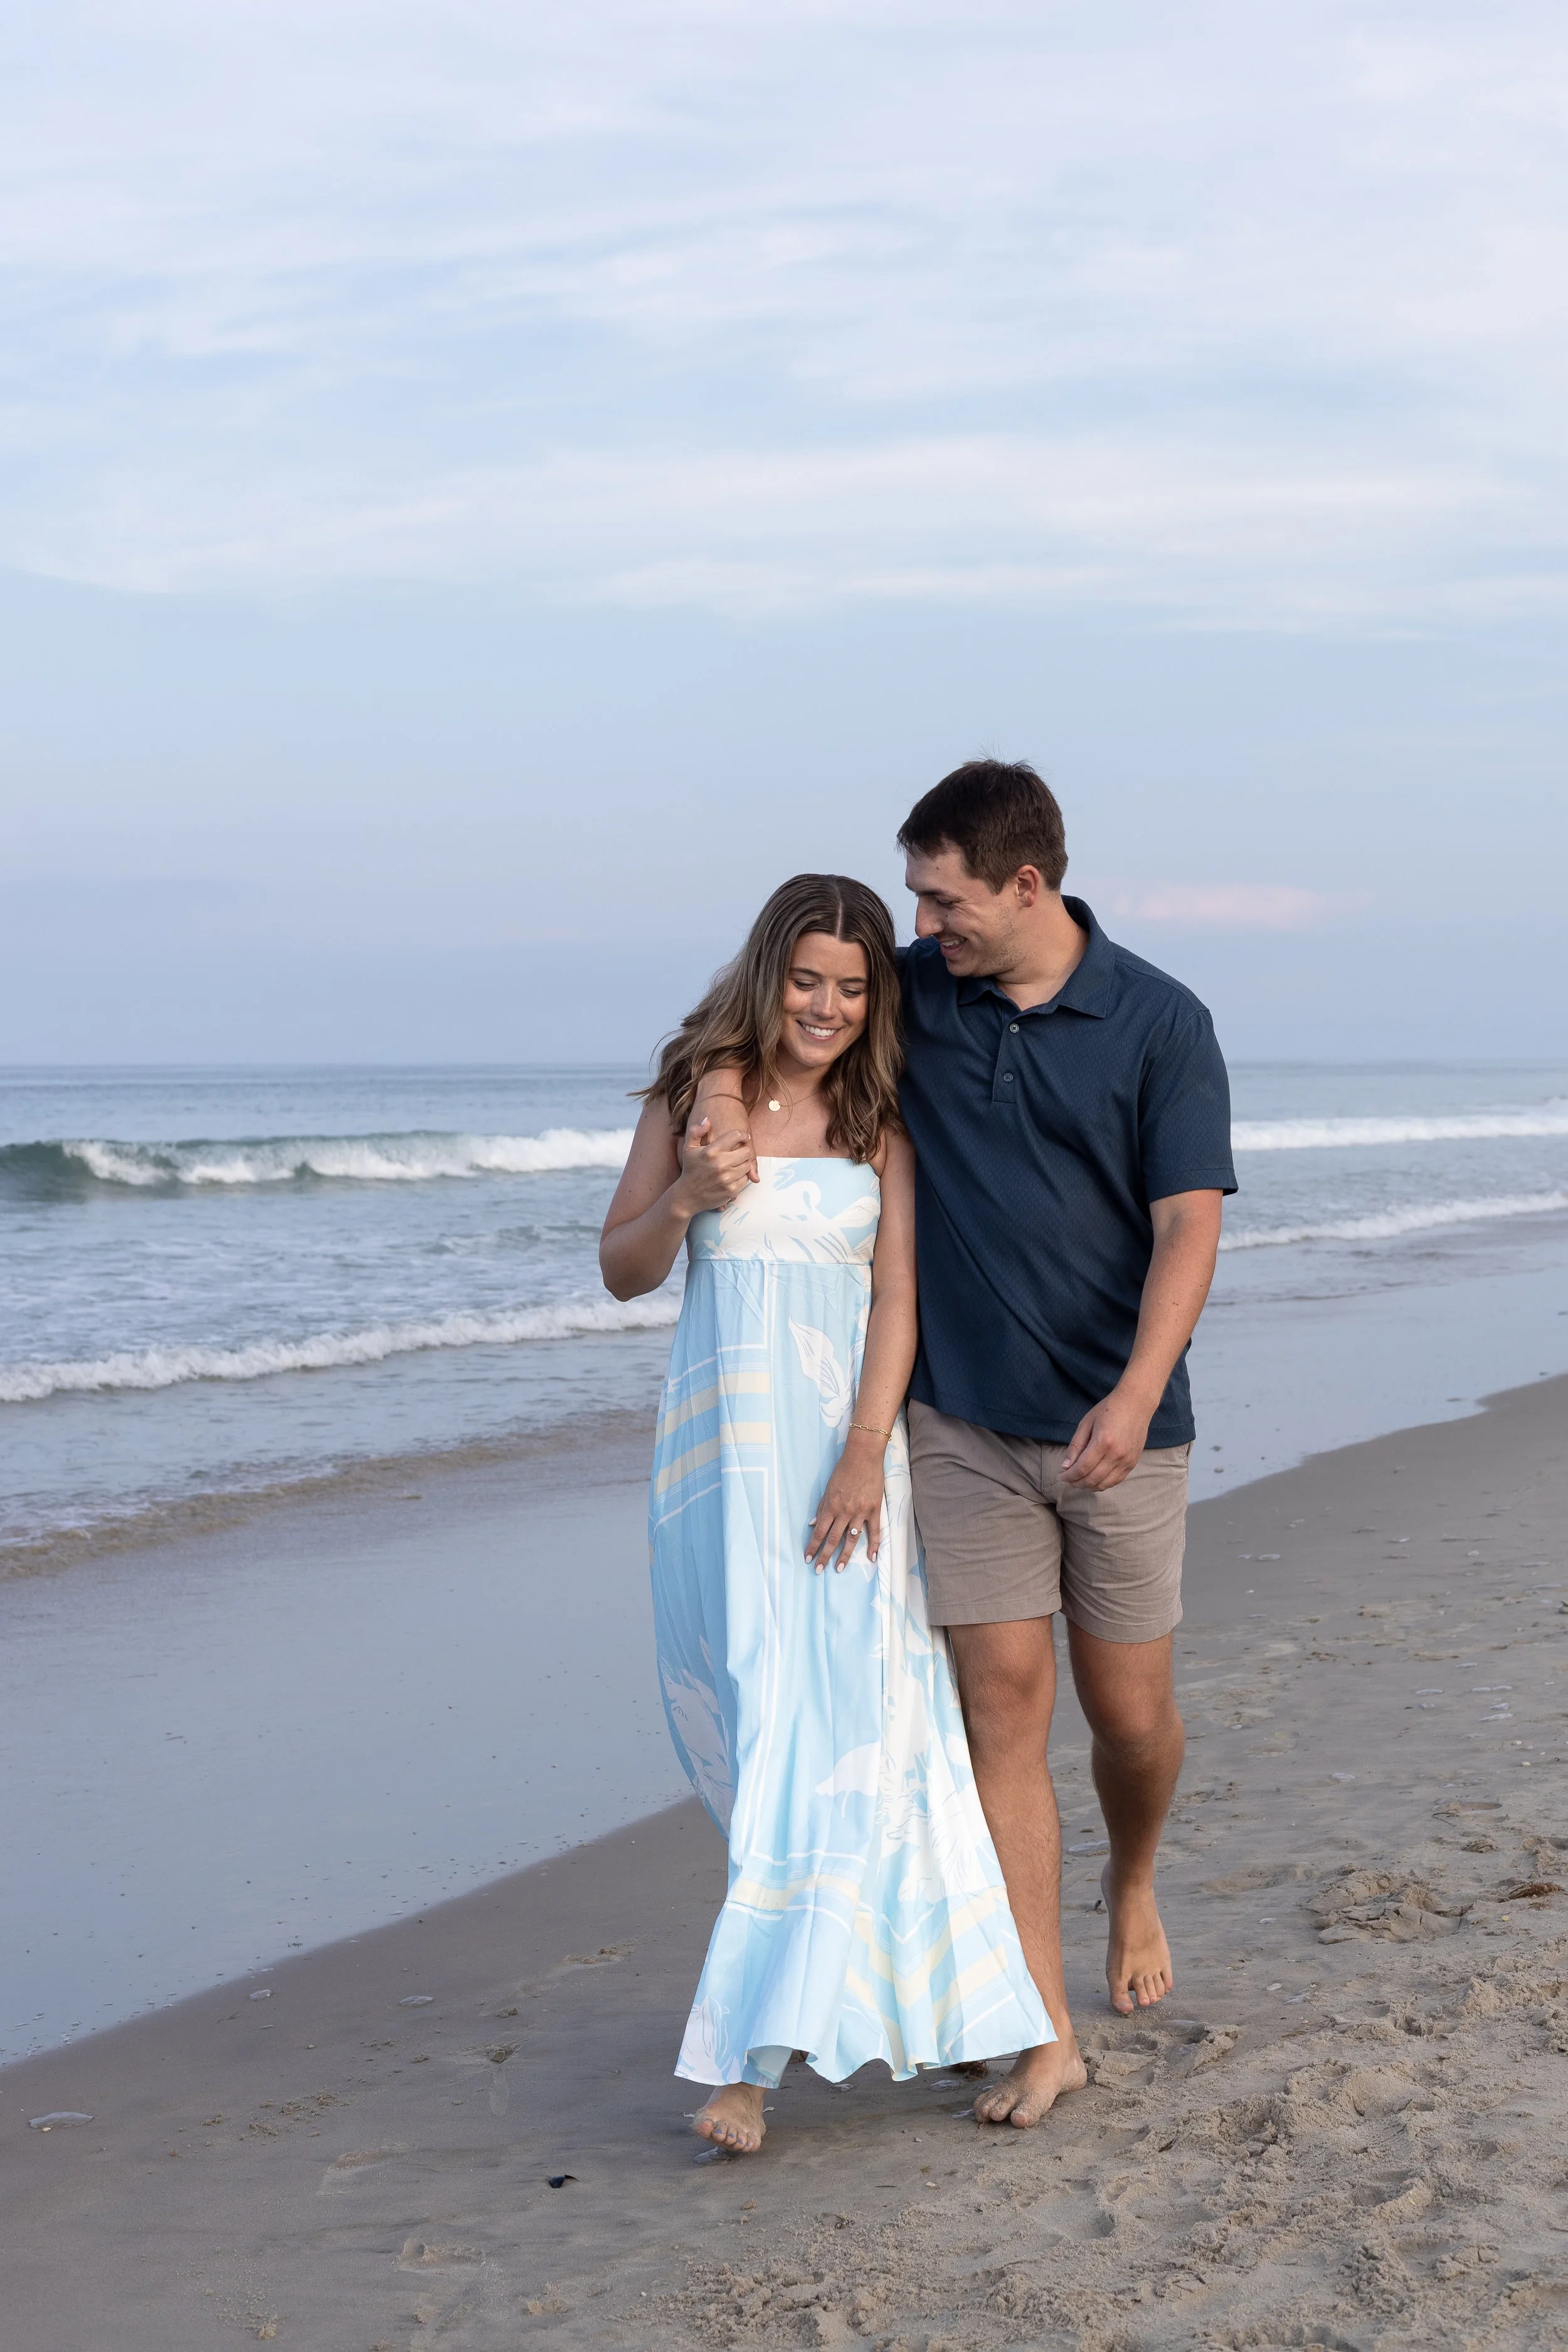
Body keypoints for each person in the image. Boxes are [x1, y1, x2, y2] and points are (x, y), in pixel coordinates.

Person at [601, 872, 1047, 2156]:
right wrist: (687, 1195)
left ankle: (748, 2068)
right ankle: (914, 2001)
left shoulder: (878, 1125)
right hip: (723, 1475)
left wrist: (864, 1455)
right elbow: (620, 1270)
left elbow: (895, 1301)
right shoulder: (695, 1096)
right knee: (770, 1734)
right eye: (807, 981)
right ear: (767, 974)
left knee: (865, 1732)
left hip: (845, 1474)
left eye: (853, 988)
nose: (828, 1007)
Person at [896, 760, 1236, 2129]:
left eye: (942, 900)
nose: (924, 928)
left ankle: (1132, 1876)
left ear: (1023, 884)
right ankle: (1036, 2020)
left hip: (1121, 1434)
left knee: (1130, 1722)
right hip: (960, 1424)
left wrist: (1136, 1389)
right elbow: (785, 1027)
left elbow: (1187, 1224)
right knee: (1000, 1717)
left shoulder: (1159, 1021)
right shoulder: (917, 999)